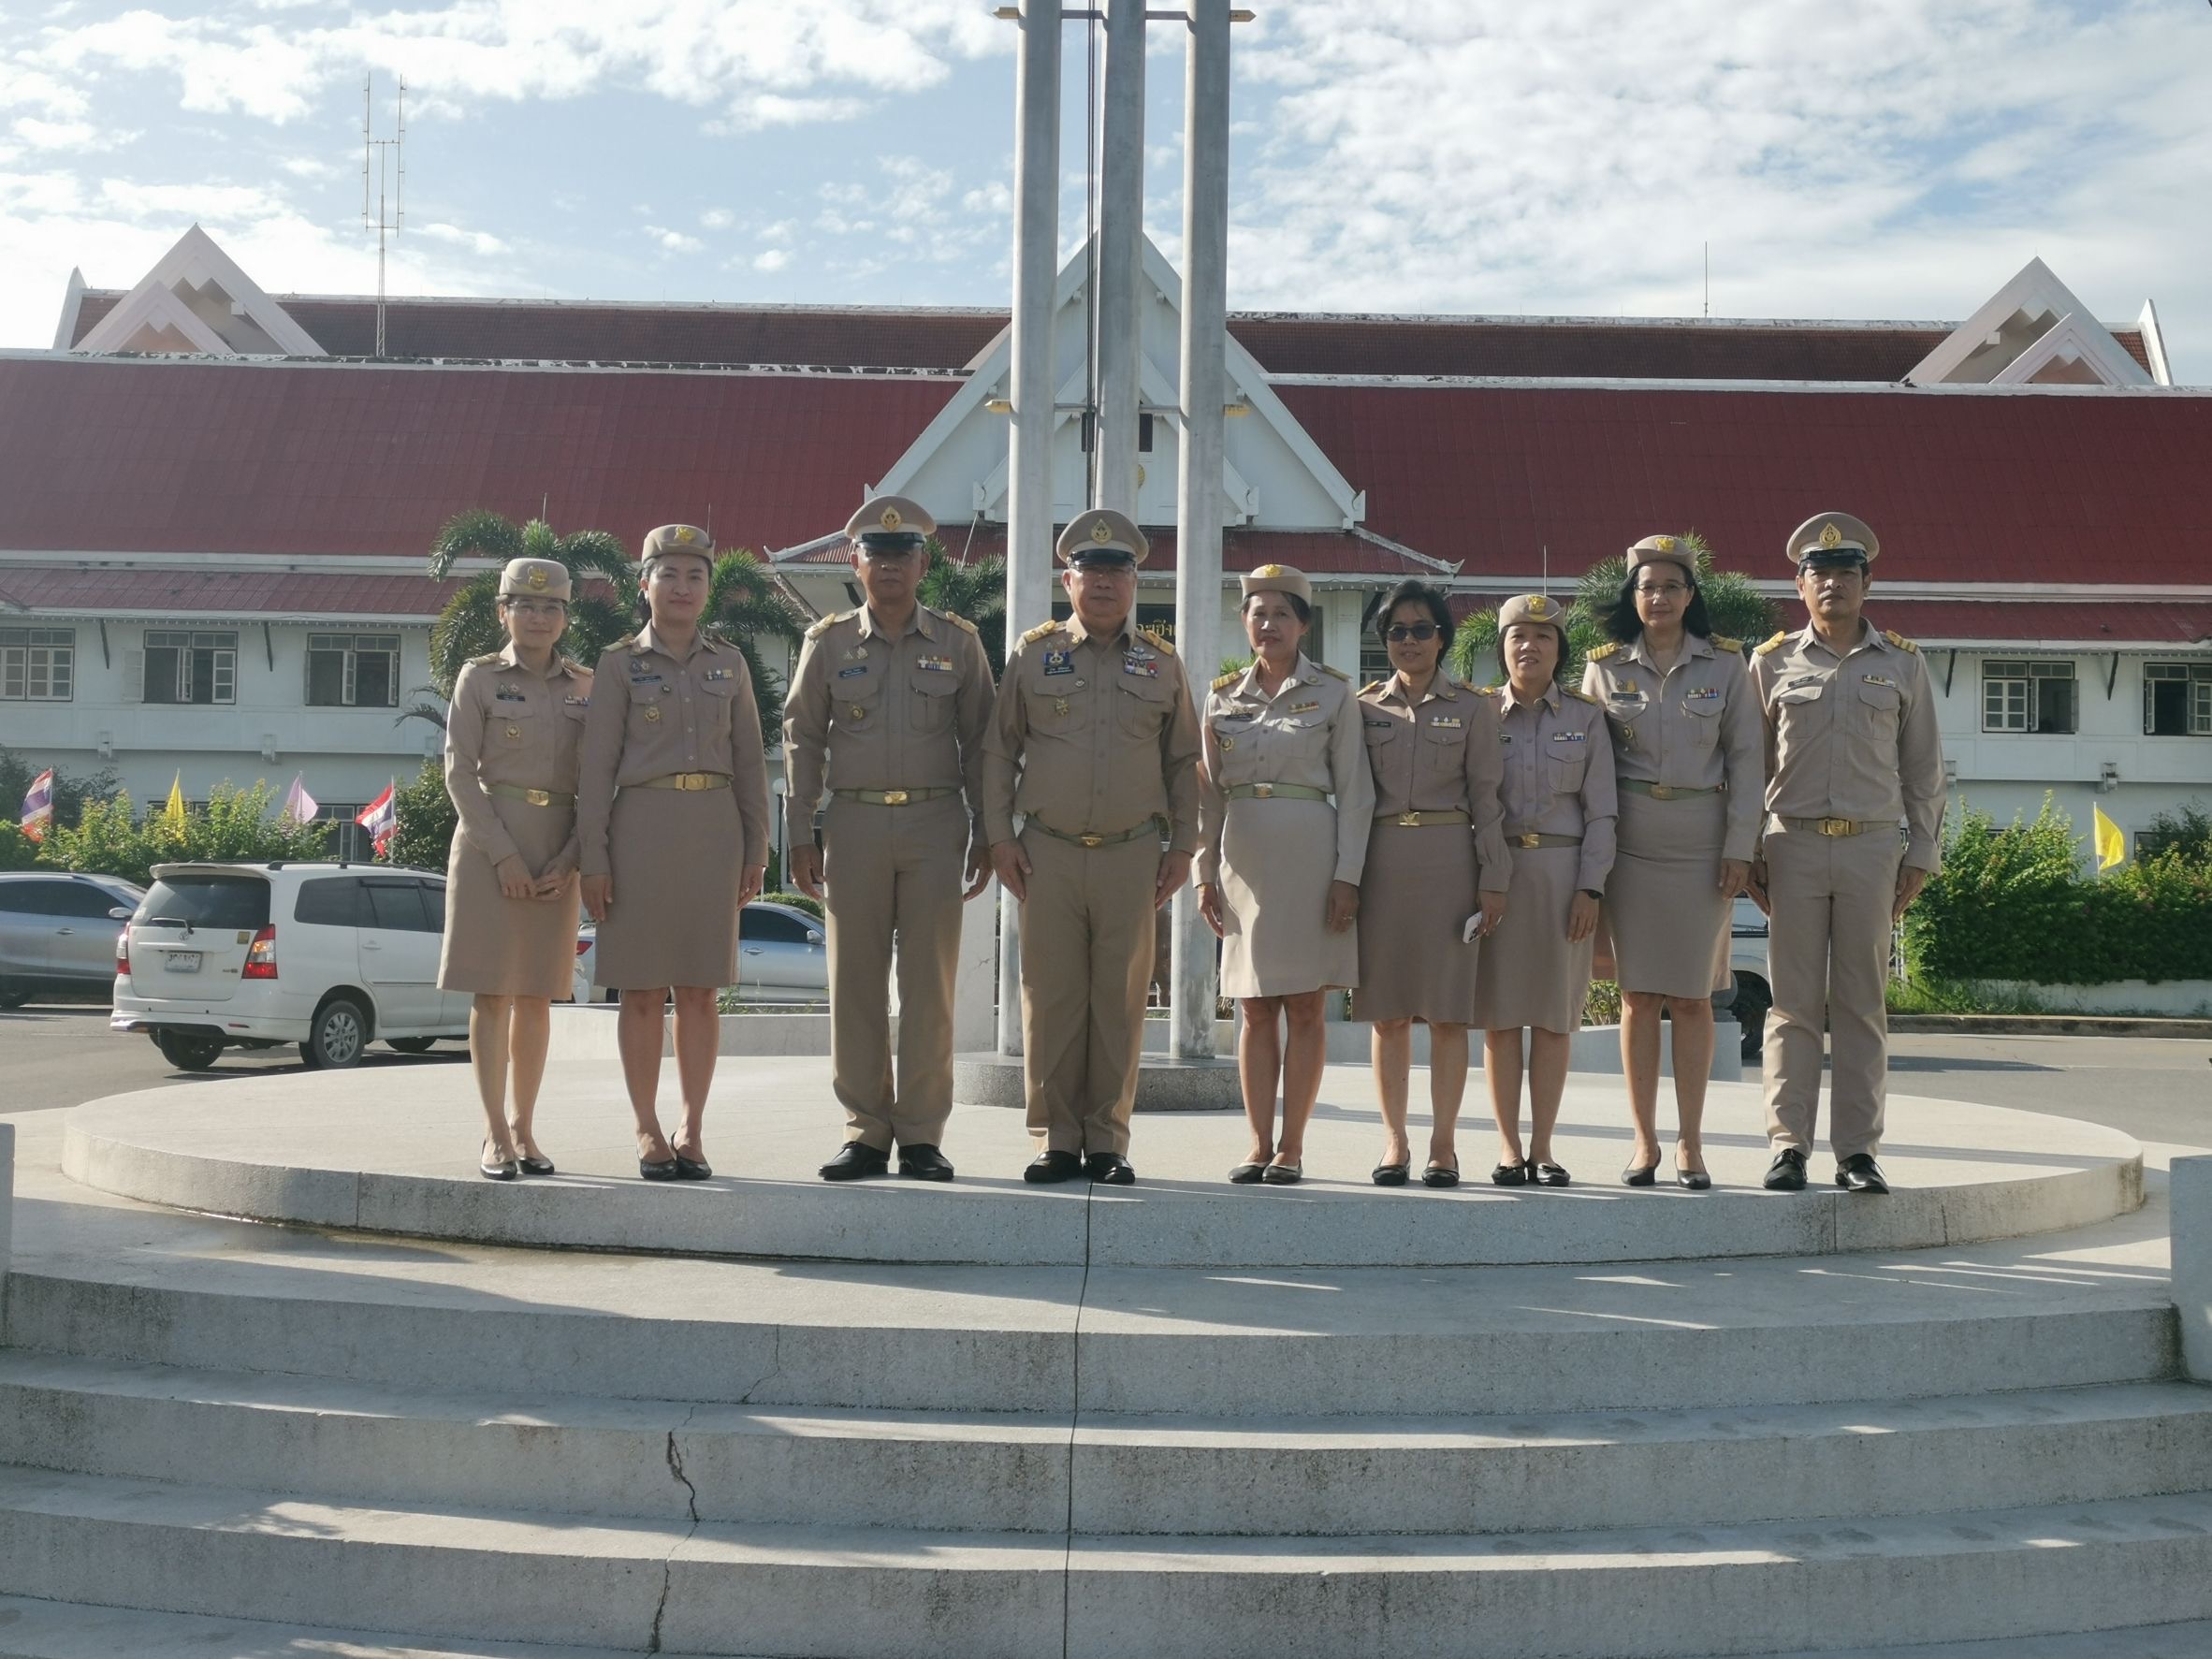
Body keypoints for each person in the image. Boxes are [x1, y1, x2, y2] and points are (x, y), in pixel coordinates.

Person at [982, 508, 1201, 1186]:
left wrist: (1183, 849)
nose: (1104, 583)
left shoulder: (1162, 662)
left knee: (1120, 999)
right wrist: (997, 838)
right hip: (1044, 851)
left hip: (1132, 854)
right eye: (1090, 570)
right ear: (1067, 579)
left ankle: (1107, 1139)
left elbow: (1184, 761)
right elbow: (997, 752)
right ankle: (1055, 1137)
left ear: (1135, 582)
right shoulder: (1031, 654)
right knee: (1049, 998)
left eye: (1118, 571)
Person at [784, 495, 996, 1184]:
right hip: (855, 823)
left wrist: (988, 831)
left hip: (937, 823)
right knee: (856, 983)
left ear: (923, 563)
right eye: (877, 554)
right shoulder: (829, 642)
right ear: (856, 562)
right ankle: (867, 1130)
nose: (890, 566)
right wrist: (801, 831)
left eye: (902, 555)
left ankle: (923, 1133)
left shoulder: (959, 643)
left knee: (930, 986)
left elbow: (983, 744)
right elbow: (803, 737)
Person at [1749, 512, 1945, 1196]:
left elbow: (1924, 769)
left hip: (1870, 849)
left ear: (1867, 582)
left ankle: (1858, 1152)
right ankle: (1787, 1145)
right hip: (1791, 845)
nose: (1832, 583)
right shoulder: (1770, 661)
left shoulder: (1903, 662)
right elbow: (1749, 766)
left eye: (1845, 572)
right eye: (1819, 573)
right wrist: (1748, 850)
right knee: (1792, 1004)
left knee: (1862, 1004)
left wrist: (1920, 853)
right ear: (1799, 586)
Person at [577, 524, 770, 1181]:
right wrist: (594, 859)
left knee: (699, 991)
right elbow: (595, 770)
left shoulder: (731, 663)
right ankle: (646, 1125)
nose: (682, 587)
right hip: (639, 833)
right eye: (669, 574)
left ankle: (691, 1126)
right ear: (645, 584)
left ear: (708, 587)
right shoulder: (617, 664)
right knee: (640, 990)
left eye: (695, 575)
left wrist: (756, 846)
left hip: (713, 832)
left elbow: (750, 760)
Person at [1581, 535, 1763, 1190]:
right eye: (1647, 586)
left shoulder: (1725, 667)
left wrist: (1741, 847)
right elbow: (1588, 769)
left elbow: (1748, 763)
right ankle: (1644, 1140)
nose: (1658, 597)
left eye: (1671, 586)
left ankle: (1690, 1142)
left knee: (1691, 998)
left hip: (1701, 843)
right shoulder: (1604, 669)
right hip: (1629, 842)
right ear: (1633, 596)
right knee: (1636, 996)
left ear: (1691, 595)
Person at [1196, 564, 1375, 1186]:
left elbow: (1356, 792)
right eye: (1257, 612)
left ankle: (1292, 1145)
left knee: (1304, 1005)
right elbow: (1208, 798)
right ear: (1244, 623)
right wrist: (1202, 874)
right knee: (1252, 1007)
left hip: (1312, 856)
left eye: (1281, 613)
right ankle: (1256, 1140)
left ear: (1303, 624)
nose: (1268, 623)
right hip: (1243, 859)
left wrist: (1348, 875)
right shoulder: (1222, 698)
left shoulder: (1333, 693)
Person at [438, 557, 593, 1180]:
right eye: (524, 605)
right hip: (486, 845)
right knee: (493, 990)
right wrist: (502, 854)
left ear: (564, 618)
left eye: (551, 606)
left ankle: (526, 1129)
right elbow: (459, 772)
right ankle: (494, 1132)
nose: (538, 616)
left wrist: (573, 855)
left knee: (537, 995)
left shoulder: (587, 685)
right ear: (503, 611)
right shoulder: (479, 678)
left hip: (558, 846)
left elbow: (599, 780)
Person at [1351, 579, 1510, 1188]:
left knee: (1447, 1015)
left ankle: (1444, 1144)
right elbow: (1354, 798)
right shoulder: (1364, 706)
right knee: (1388, 1016)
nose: (1409, 641)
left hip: (1451, 861)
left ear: (1442, 637)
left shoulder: (1473, 707)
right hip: (1383, 863)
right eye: (1397, 631)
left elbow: (1487, 800)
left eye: (1421, 629)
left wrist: (1494, 877)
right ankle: (1395, 1141)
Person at [1470, 593, 1617, 1187]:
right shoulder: (1480, 715)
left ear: (1561, 650)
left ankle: (1546, 1147)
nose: (1529, 646)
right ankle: (1508, 1148)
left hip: (1563, 877)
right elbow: (1474, 808)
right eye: (1517, 637)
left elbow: (1603, 812)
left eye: (1544, 637)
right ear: (1501, 648)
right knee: (1503, 1019)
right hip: (1498, 878)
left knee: (1555, 1020)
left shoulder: (1586, 717)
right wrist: (1485, 882)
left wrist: (1591, 889)